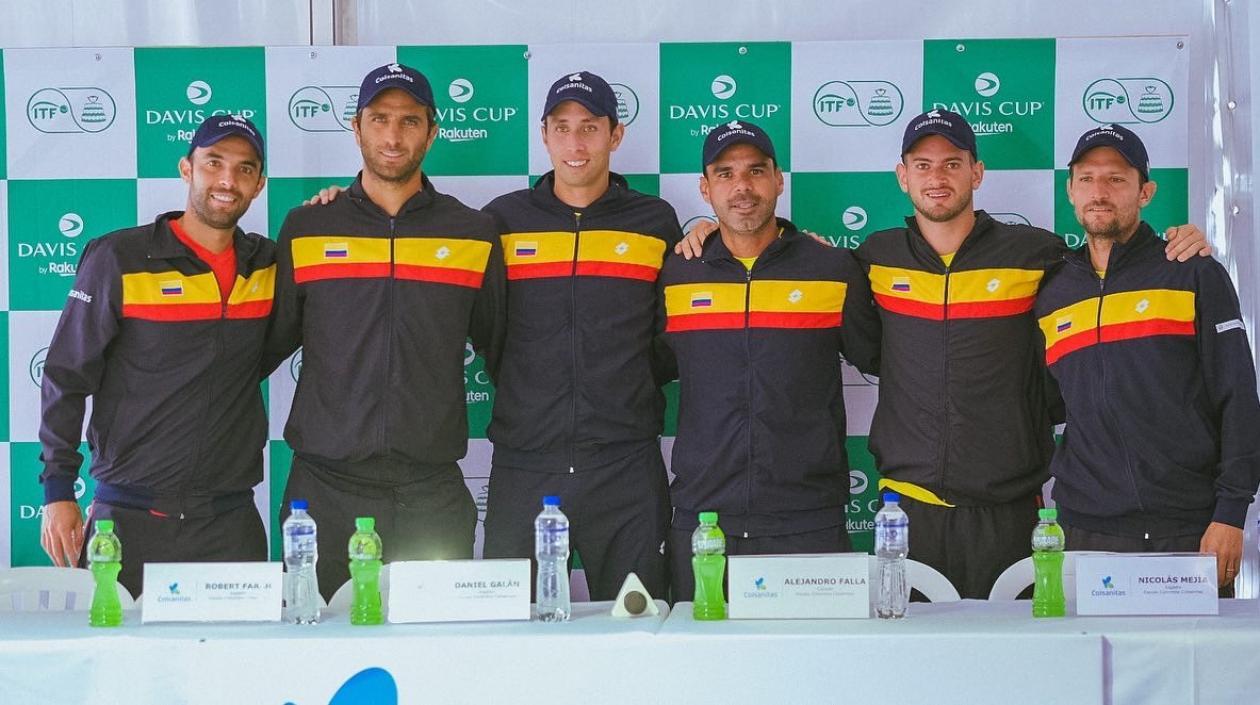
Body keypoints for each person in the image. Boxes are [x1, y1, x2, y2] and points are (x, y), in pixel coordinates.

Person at [676, 109, 1211, 599]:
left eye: (952, 163)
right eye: (923, 164)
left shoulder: (1037, 254)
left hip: (1011, 509)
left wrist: (1180, 241)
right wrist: (709, 233)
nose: (938, 177)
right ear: (902, 175)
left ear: (976, 174)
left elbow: (1106, 267)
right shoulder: (870, 261)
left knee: (1014, 670)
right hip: (906, 514)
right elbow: (817, 292)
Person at [263, 63, 506, 599]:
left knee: (438, 661)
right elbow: (261, 345)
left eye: (409, 121)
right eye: (379, 119)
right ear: (356, 127)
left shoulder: (473, 232)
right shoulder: (308, 227)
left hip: (431, 491)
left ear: (432, 130)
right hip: (324, 490)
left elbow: (505, 350)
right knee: (315, 657)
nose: (393, 136)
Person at [39, 115, 272, 596]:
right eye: (214, 163)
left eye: (244, 169)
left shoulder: (268, 265)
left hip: (230, 523)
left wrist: (334, 203)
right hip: (126, 520)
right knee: (116, 670)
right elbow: (65, 376)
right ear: (187, 169)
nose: (228, 180)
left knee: (238, 670)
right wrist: (58, 491)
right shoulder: (119, 258)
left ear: (259, 184)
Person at [478, 71, 681, 600]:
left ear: (615, 135)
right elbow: (485, 331)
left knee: (639, 627)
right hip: (526, 462)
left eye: (589, 127)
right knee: (513, 631)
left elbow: (669, 340)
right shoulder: (502, 220)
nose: (575, 143)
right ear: (543, 134)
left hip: (625, 464)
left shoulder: (654, 222)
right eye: (562, 127)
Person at [658, 120, 880, 601]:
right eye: (725, 173)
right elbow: (650, 370)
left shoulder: (832, 269)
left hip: (809, 520)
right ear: (705, 187)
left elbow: (885, 359)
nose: (742, 187)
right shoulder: (676, 273)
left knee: (814, 673)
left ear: (779, 180)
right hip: (704, 519)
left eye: (756, 171)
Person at [1036, 124, 1260, 590]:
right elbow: (1044, 404)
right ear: (1070, 191)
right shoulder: (1053, 291)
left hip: (1189, 527)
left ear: (1145, 192)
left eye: (1116, 179)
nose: (1100, 192)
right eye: (1087, 178)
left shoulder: (1192, 270)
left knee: (1194, 664)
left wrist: (1231, 512)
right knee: (1087, 662)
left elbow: (1238, 396)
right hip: (1086, 529)